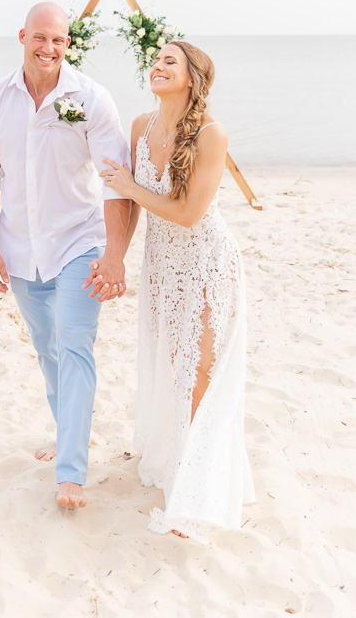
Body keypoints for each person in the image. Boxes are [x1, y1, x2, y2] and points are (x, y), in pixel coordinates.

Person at [0, 2, 132, 510]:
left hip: (80, 242)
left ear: (68, 44)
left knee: (74, 344)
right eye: (40, 38)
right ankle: (70, 435)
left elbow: (116, 182)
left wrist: (115, 253)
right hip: (21, 249)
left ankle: (71, 473)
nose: (48, 48)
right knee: (47, 347)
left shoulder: (91, 98)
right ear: (23, 35)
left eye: (59, 41)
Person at [98, 40, 256, 540]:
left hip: (207, 264)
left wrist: (128, 186)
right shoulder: (141, 127)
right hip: (162, 267)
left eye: (171, 60)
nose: (159, 65)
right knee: (173, 368)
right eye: (156, 59)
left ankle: (197, 494)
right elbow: (136, 204)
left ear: (192, 76)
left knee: (200, 375)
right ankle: (180, 468)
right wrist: (116, 253)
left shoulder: (212, 134)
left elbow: (189, 214)